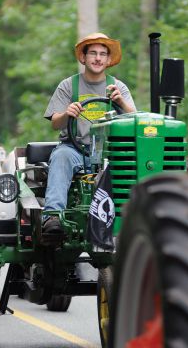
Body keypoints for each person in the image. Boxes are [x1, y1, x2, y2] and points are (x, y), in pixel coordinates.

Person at [42, 32, 136, 240]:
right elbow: (55, 123)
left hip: (108, 154)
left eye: (103, 54)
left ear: (109, 60)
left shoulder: (118, 87)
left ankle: (134, 218)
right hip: (75, 149)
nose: (98, 58)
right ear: (83, 58)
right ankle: (53, 216)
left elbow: (135, 122)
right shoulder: (68, 85)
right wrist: (68, 113)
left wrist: (122, 103)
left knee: (131, 163)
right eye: (92, 53)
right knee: (61, 157)